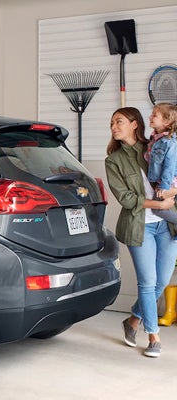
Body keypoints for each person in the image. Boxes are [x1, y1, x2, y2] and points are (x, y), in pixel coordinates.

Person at [105, 107, 177, 358]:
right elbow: (125, 198)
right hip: (140, 226)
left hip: (167, 225)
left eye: (119, 121)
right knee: (147, 283)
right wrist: (159, 204)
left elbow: (173, 171)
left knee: (162, 281)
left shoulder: (156, 145)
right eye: (112, 123)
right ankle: (154, 336)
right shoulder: (113, 160)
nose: (114, 126)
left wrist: (172, 193)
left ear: (135, 124)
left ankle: (132, 321)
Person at [146, 103, 177, 223]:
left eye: (154, 115)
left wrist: (164, 186)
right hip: (162, 181)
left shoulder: (169, 142)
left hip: (168, 181)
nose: (150, 117)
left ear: (166, 122)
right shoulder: (154, 138)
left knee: (158, 210)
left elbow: (170, 165)